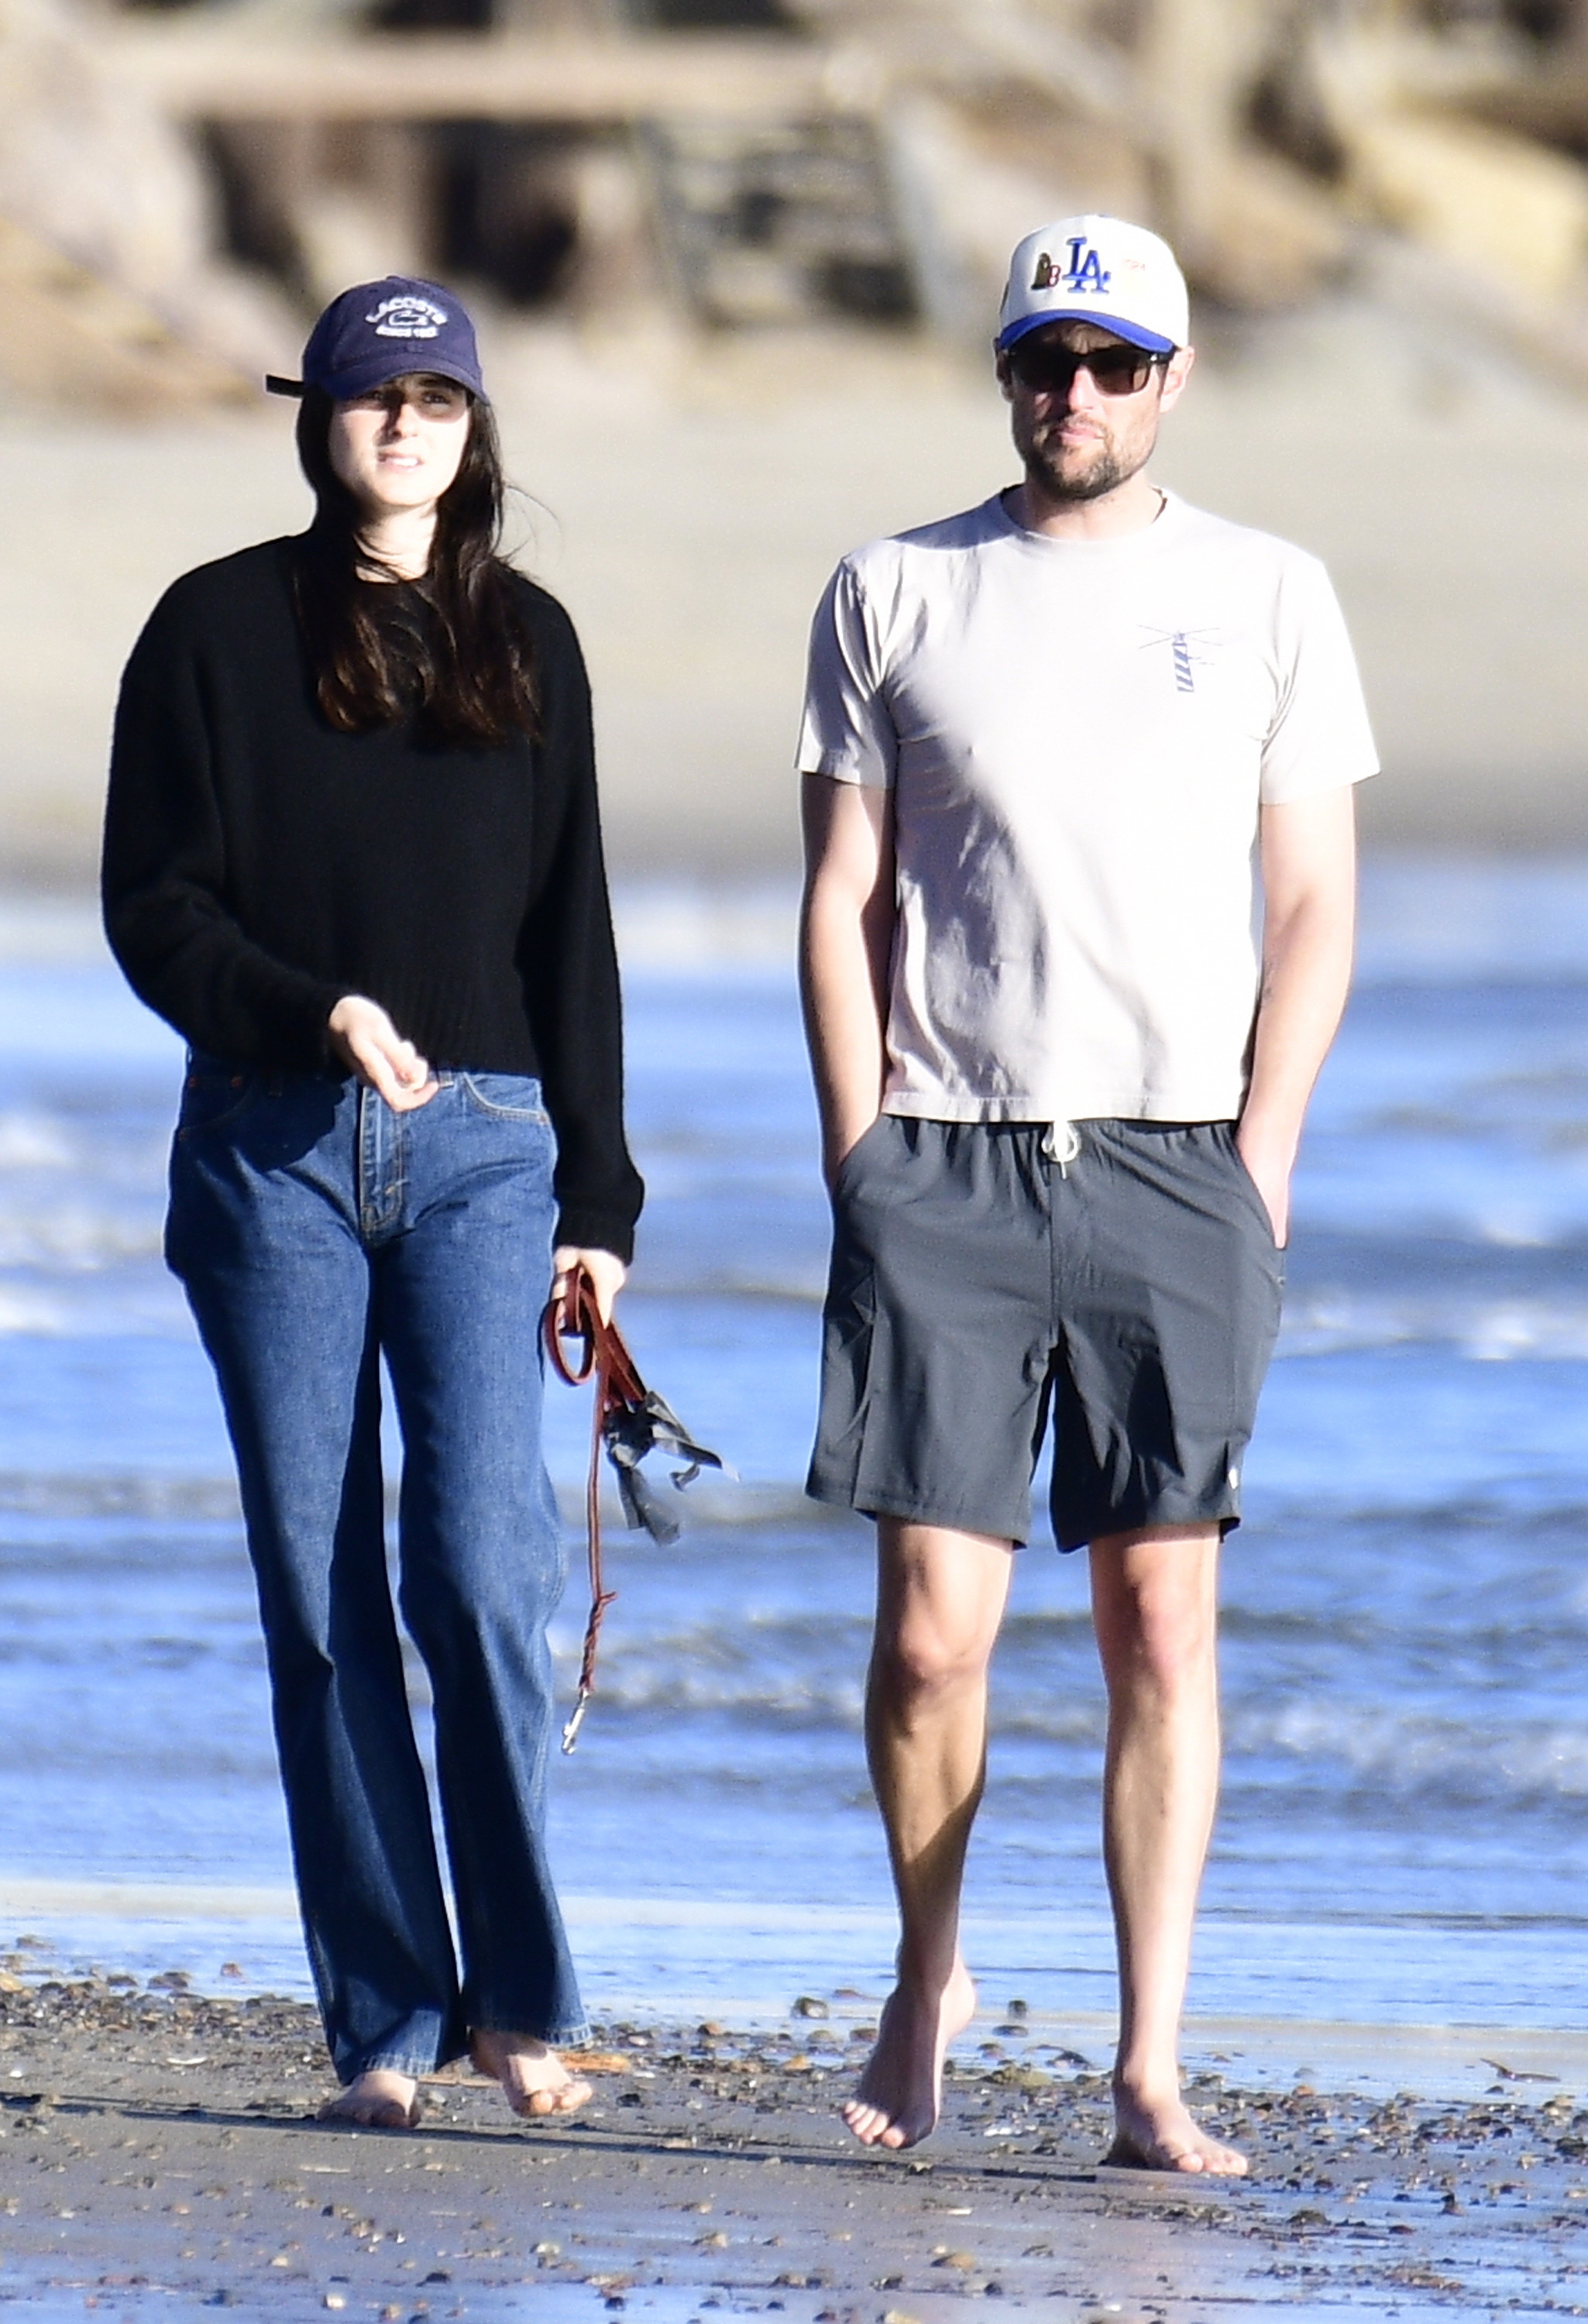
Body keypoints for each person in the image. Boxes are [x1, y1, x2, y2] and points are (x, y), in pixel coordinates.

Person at [798, 215, 1376, 2172]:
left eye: (1112, 364)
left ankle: (1146, 2067)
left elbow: (1308, 903)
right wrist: (855, 1145)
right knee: (930, 1636)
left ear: (1171, 380)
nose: (1075, 394)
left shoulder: (1272, 593)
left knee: (1158, 1624)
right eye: (1045, 360)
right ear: (1005, 374)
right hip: (943, 1157)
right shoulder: (891, 587)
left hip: (1171, 1156)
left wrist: (1263, 1148)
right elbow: (842, 895)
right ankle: (922, 1984)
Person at [102, 277, 642, 2131]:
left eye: (436, 394)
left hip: (491, 1148)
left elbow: (572, 930)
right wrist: (309, 1011)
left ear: (474, 423)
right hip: (272, 1148)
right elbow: (153, 911)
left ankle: (523, 2006)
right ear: (316, 417)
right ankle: (388, 2031)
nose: (404, 423)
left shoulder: (534, 641)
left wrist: (601, 1192)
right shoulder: (210, 632)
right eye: (370, 394)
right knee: (321, 1593)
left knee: (480, 1576)